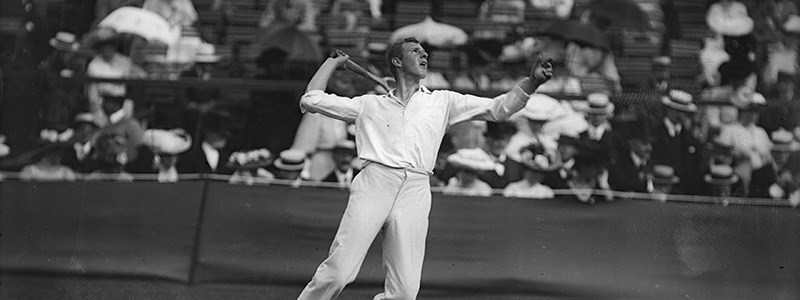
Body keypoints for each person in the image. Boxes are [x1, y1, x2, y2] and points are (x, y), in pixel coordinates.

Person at [296, 37, 553, 299]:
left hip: (417, 188)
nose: (425, 55)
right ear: (397, 61)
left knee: (405, 293)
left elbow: (499, 109)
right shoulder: (368, 105)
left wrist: (531, 83)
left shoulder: (443, 102)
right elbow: (311, 99)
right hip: (376, 182)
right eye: (416, 51)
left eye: (425, 51)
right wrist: (331, 62)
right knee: (339, 273)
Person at [652, 90, 703, 195]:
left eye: (685, 112)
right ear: (670, 110)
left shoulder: (689, 137)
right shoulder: (654, 132)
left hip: (685, 191)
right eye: (679, 111)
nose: (683, 115)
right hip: (662, 188)